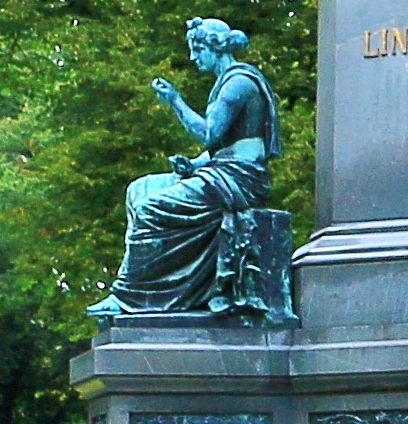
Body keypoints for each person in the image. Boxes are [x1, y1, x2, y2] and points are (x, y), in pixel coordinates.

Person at [97, 19, 289, 320]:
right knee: (139, 190)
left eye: (197, 50)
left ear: (215, 47)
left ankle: (129, 296)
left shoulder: (238, 83)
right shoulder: (225, 82)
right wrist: (195, 164)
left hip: (239, 179)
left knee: (151, 208)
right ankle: (141, 289)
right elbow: (221, 146)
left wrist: (175, 101)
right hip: (221, 170)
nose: (193, 57)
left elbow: (210, 133)